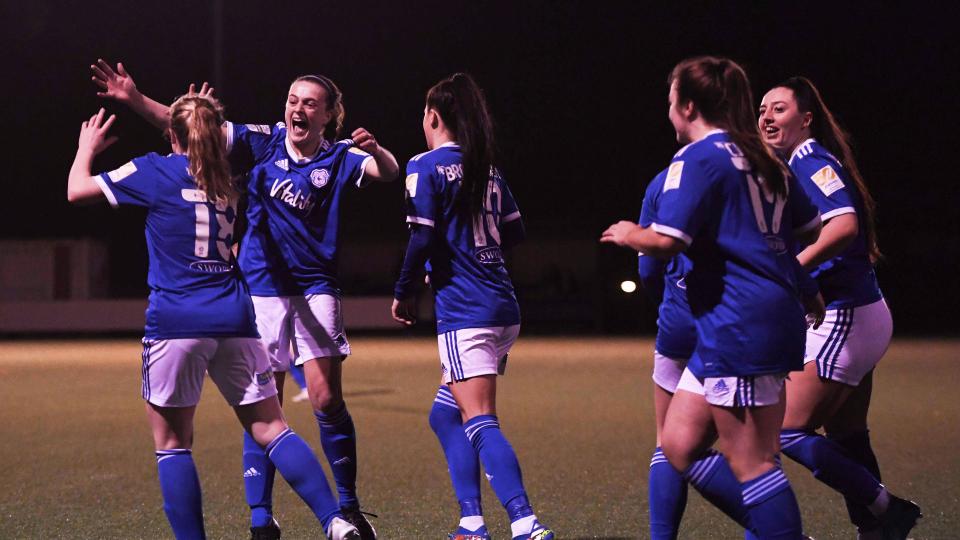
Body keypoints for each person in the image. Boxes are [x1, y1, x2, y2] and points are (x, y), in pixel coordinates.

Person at [91, 60, 399, 540]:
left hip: (314, 287)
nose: (297, 109)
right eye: (293, 100)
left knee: (324, 398)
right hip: (259, 287)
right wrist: (134, 99)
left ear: (328, 116)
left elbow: (387, 172)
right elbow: (191, 125)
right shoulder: (264, 140)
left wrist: (376, 150)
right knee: (265, 405)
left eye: (309, 104)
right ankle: (262, 517)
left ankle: (348, 508)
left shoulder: (340, 156)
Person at [602, 56, 822, 539]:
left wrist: (629, 233)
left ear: (688, 106)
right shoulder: (765, 158)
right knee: (679, 444)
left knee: (754, 463)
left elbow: (667, 241)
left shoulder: (697, 158)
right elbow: (808, 227)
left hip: (739, 322)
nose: (668, 111)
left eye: (670, 101)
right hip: (755, 317)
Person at [391, 73, 553, 540]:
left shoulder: (424, 165)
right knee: (445, 414)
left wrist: (404, 289)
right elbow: (515, 232)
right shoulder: (487, 169)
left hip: (466, 310)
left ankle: (525, 523)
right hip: (502, 306)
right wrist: (471, 248)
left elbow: (421, 235)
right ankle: (471, 522)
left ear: (433, 117)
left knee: (479, 419)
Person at [759, 76, 921, 539]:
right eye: (762, 110)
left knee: (784, 430)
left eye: (779, 109)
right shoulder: (794, 165)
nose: (766, 117)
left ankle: (888, 509)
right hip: (861, 313)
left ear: (806, 119)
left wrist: (792, 268)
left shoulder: (809, 159)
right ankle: (875, 530)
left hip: (847, 315)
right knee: (848, 434)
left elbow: (844, 225)